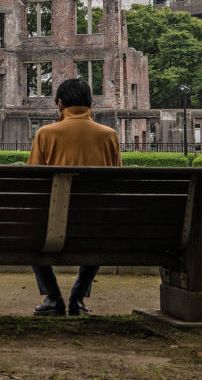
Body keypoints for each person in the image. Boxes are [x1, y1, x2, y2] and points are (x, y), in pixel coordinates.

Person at [28, 78, 122, 317]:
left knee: (31, 235)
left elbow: (32, 182)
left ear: (60, 104)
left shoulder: (46, 134)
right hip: (95, 225)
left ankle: (53, 297)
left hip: (52, 224)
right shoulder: (108, 136)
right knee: (98, 228)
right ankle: (77, 297)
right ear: (90, 104)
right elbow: (117, 182)